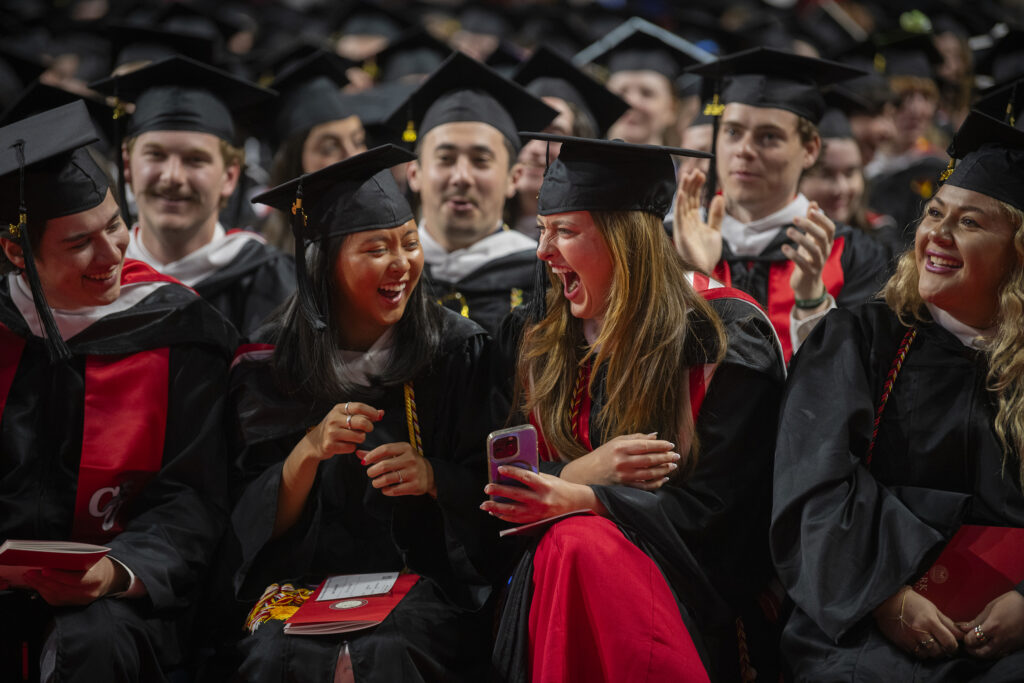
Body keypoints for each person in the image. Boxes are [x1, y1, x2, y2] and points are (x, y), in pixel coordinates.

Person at [485, 133, 786, 683]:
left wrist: (586, 502)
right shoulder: (537, 337)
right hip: (553, 587)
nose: (542, 253)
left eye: (564, 232)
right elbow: (502, 496)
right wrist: (585, 476)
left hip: (690, 598)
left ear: (626, 240)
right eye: (541, 231)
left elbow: (729, 521)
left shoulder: (725, 338)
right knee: (570, 543)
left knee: (575, 540)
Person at [224, 145, 506, 683]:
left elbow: (491, 492)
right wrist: (308, 451)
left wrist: (431, 477)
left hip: (425, 585)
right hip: (300, 586)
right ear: (324, 262)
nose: (401, 264)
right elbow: (248, 526)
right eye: (376, 249)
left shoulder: (456, 352)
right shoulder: (269, 362)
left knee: (381, 653)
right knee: (274, 656)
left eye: (409, 243)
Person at [771, 110, 1024, 681]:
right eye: (935, 213)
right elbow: (812, 483)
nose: (937, 233)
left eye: (971, 222)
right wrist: (887, 597)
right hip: (865, 620)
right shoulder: (861, 339)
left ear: (1018, 253)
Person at [0, 102, 235, 681]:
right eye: (80, 242)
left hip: (118, 596)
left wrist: (118, 571)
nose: (112, 255)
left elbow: (194, 494)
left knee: (93, 642)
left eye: (114, 226)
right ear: (15, 254)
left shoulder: (178, 328)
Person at [678, 48, 892, 361]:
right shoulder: (670, 242)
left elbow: (854, 384)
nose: (744, 150)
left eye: (768, 137)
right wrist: (695, 276)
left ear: (810, 149)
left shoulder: (853, 255)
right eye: (733, 132)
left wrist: (812, 303)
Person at [89, 55, 296, 339]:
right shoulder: (95, 276)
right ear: (127, 165)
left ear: (230, 176)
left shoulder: (270, 282)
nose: (172, 176)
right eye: (156, 155)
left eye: (195, 159)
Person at [386, 51, 557, 337]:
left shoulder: (546, 280)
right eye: (445, 158)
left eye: (481, 161)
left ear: (513, 178)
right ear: (413, 174)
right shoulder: (385, 274)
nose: (462, 177)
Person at [509, 46, 629, 238]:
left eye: (553, 135)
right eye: (527, 131)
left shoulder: (601, 240)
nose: (535, 148)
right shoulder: (481, 233)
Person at [260, 49, 368, 253]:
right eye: (329, 148)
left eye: (358, 141)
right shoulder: (264, 260)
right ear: (294, 166)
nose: (353, 156)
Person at [576, 18, 713, 146]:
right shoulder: (575, 171)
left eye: (647, 93)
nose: (632, 102)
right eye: (621, 93)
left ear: (672, 108)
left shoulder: (689, 172)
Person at [800, 108, 901, 257]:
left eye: (850, 173)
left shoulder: (880, 239)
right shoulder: (783, 244)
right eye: (826, 175)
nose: (842, 188)